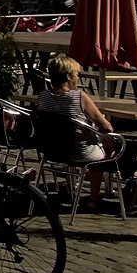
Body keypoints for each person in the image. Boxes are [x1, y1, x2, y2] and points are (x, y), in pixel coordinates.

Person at [35, 54, 114, 205]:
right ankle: (94, 199)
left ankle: (75, 190)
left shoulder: (43, 96)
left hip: (53, 151)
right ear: (68, 77)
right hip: (79, 152)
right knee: (104, 150)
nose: (79, 78)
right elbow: (106, 126)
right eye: (77, 74)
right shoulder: (79, 97)